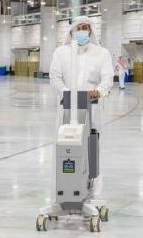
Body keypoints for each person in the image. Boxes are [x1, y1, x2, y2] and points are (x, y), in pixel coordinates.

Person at [48, 16, 113, 197]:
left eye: (86, 27)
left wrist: (98, 91)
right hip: (67, 109)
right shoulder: (61, 52)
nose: (83, 31)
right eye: (79, 27)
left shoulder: (101, 53)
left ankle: (93, 194)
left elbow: (107, 80)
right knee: (66, 149)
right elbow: (55, 77)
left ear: (91, 31)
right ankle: (62, 191)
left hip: (91, 109)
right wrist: (67, 93)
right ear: (72, 31)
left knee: (92, 150)